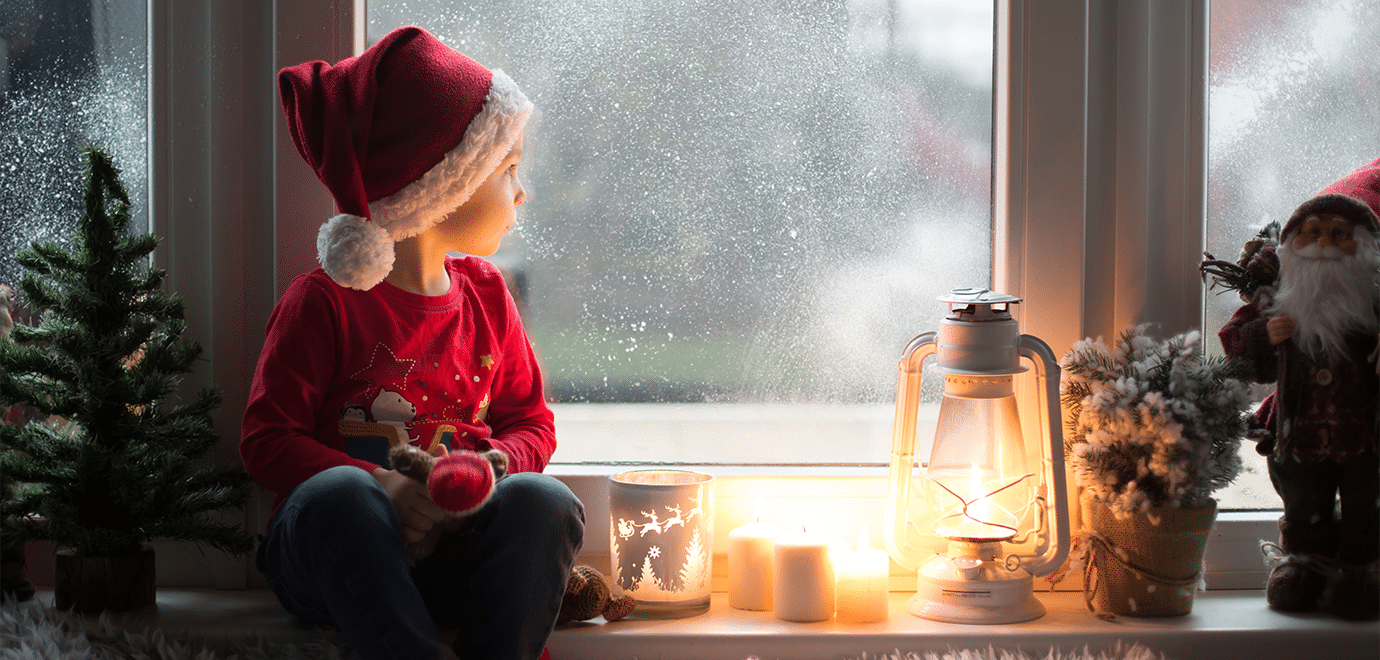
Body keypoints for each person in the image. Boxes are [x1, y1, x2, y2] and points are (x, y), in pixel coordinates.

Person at [241, 26, 583, 660]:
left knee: (546, 500)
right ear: (442, 184)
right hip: (343, 566)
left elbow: (531, 421)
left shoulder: (486, 293)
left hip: (458, 556)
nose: (521, 192)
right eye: (507, 170)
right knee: (337, 498)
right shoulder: (323, 303)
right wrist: (381, 486)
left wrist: (489, 471)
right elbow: (266, 439)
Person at [1218, 157, 1380, 621]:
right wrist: (1262, 337)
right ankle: (1305, 567)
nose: (1325, 244)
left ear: (1365, 248)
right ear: (1291, 243)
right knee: (1303, 502)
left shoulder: (1369, 308)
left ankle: (1360, 573)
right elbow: (1240, 351)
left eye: (1338, 234)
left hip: (1364, 438)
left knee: (1365, 506)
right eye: (1314, 232)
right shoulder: (1277, 305)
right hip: (1297, 433)